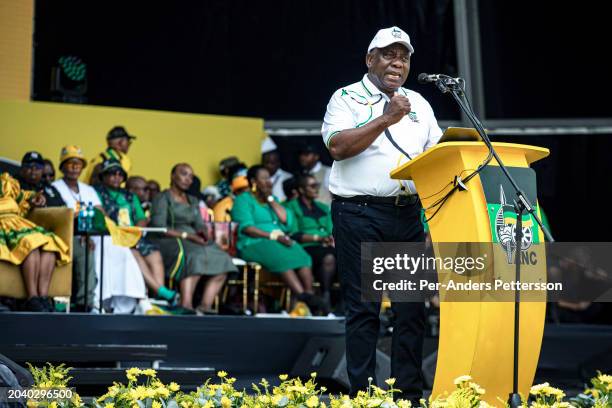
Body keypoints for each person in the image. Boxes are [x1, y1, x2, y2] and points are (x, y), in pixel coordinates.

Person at [321, 26, 442, 401]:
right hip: (359, 213)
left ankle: (408, 395)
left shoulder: (419, 103)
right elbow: (338, 148)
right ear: (370, 59)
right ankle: (365, 395)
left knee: (412, 311)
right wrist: (387, 118)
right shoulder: (345, 98)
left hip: (406, 214)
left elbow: (436, 156)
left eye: (404, 57)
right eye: (389, 54)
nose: (397, 63)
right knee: (364, 310)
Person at [53, 146, 146, 313]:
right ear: (62, 166)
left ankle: (130, 297)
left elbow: (101, 214)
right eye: (70, 163)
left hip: (92, 233)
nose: (75, 167)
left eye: (78, 163)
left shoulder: (87, 189)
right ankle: (95, 300)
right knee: (96, 247)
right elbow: (59, 217)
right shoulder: (55, 187)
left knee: (117, 245)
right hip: (69, 235)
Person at [231, 165, 326, 312]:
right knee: (280, 256)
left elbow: (286, 222)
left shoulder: (272, 200)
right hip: (253, 242)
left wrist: (270, 199)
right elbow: (246, 227)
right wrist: (273, 236)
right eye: (264, 178)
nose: (268, 182)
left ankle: (309, 295)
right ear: (253, 181)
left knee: (302, 254)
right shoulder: (243, 200)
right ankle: (302, 296)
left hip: (279, 240)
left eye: (269, 178)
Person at [150, 163, 237, 314]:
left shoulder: (193, 200)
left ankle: (205, 305)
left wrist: (204, 233)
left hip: (192, 238)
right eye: (184, 174)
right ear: (172, 176)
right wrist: (187, 236)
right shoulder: (162, 198)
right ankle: (186, 305)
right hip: (169, 239)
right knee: (194, 257)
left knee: (224, 260)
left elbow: (199, 225)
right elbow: (159, 227)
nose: (188, 179)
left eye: (191, 176)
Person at [95, 159, 178, 304]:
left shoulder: (129, 195)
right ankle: (162, 292)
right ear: (103, 176)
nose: (117, 177)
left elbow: (140, 218)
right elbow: (101, 216)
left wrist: (137, 230)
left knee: (154, 253)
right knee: (134, 254)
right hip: (113, 237)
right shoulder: (97, 192)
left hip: (133, 235)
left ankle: (157, 297)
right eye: (112, 173)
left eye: (120, 174)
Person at [0, 172, 70, 312]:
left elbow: (23, 196)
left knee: (49, 245)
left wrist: (34, 198)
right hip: (2, 225)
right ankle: (32, 298)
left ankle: (43, 299)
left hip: (17, 223)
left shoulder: (5, 182)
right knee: (30, 244)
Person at [284, 175, 336, 307]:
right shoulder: (291, 207)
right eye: (312, 186)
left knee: (346, 256)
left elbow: (331, 230)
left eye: (317, 185)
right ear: (301, 190)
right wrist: (318, 238)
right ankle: (326, 295)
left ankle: (341, 301)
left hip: (326, 246)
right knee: (329, 257)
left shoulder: (323, 208)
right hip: (304, 247)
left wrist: (330, 238)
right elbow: (294, 234)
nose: (316, 189)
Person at [261, 136, 292, 201]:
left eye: (272, 163)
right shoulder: (259, 177)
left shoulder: (287, 177)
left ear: (278, 163)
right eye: (266, 162)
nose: (268, 166)